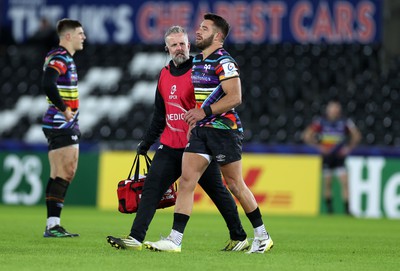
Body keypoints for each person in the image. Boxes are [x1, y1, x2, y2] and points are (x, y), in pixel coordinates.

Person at [106, 25, 249, 252]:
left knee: (219, 194)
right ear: (167, 48)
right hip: (170, 145)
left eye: (182, 44)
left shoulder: (200, 71)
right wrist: (146, 143)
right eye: (174, 44)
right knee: (152, 188)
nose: (179, 48)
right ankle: (135, 238)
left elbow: (213, 103)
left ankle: (239, 237)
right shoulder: (163, 75)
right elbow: (159, 115)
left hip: (198, 146)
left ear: (189, 46)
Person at [144, 13, 273, 254]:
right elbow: (205, 96)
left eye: (204, 28)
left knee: (235, 185)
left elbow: (235, 97)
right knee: (186, 181)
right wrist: (197, 118)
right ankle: (175, 239)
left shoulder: (224, 61)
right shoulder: (201, 62)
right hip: (202, 131)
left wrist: (204, 112)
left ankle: (262, 235)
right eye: (200, 27)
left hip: (224, 130)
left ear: (218, 36)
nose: (199, 31)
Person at [41, 18, 86, 237]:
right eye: (80, 33)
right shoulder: (60, 56)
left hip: (64, 123)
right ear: (68, 36)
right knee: (64, 171)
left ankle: (53, 224)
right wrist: (64, 109)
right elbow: (48, 82)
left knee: (63, 172)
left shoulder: (62, 56)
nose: (83, 37)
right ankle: (52, 225)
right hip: (60, 123)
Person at [303, 100, 361, 215]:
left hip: (339, 157)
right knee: (327, 183)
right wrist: (318, 147)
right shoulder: (321, 122)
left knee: (344, 182)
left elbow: (356, 135)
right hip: (327, 156)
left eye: (336, 108)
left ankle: (347, 210)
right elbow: (306, 135)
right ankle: (330, 210)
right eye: (332, 108)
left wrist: (349, 148)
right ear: (328, 110)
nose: (334, 111)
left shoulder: (344, 122)